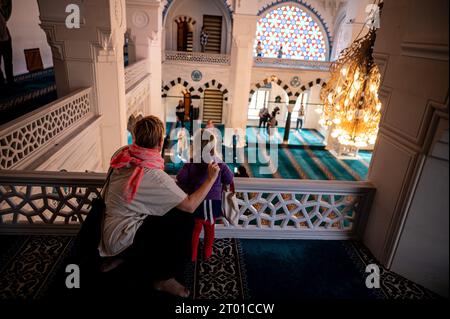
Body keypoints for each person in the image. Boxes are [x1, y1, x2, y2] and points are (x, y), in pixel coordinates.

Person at [99, 115, 220, 298]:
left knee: (169, 209)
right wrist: (211, 179)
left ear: (136, 137)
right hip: (122, 236)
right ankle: (163, 279)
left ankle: (120, 258)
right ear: (161, 141)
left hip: (108, 228)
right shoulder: (153, 176)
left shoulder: (123, 153)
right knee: (184, 218)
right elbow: (190, 205)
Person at [177, 129, 234, 261]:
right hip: (213, 204)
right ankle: (207, 252)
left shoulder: (191, 163)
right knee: (210, 230)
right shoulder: (218, 164)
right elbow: (229, 179)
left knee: (195, 231)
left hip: (196, 202)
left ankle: (193, 255)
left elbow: (181, 178)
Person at [0, 6, 13, 87]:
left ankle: (10, 82)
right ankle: (2, 83)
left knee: (8, 62)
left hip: (6, 40)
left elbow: (3, 25)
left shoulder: (1, 11)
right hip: (2, 40)